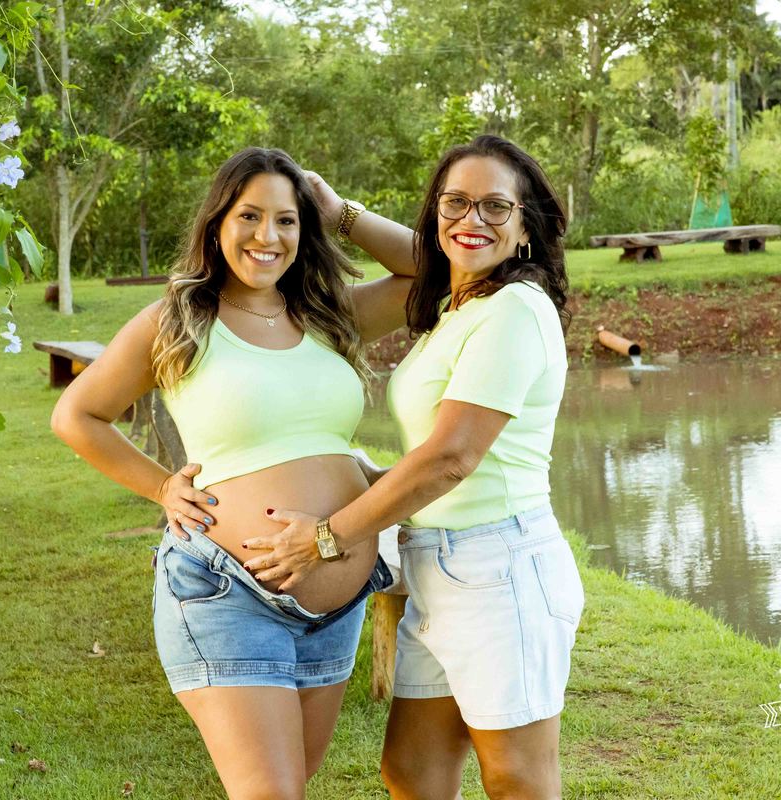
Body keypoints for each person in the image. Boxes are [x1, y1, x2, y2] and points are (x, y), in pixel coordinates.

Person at [49, 146, 416, 799]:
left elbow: (435, 275)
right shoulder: (180, 318)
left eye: (286, 220)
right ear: (217, 223)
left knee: (291, 780)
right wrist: (160, 485)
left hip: (335, 608)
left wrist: (343, 213)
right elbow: (78, 415)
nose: (267, 236)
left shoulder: (328, 315)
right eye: (249, 216)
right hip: (228, 592)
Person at [242, 135, 582, 800]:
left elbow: (452, 457)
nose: (472, 220)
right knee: (412, 772)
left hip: (499, 570)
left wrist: (325, 537)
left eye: (495, 207)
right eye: (455, 203)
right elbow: (425, 258)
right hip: (437, 562)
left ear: (526, 228)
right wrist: (338, 212)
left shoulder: (516, 310)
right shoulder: (457, 305)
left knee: (516, 778)